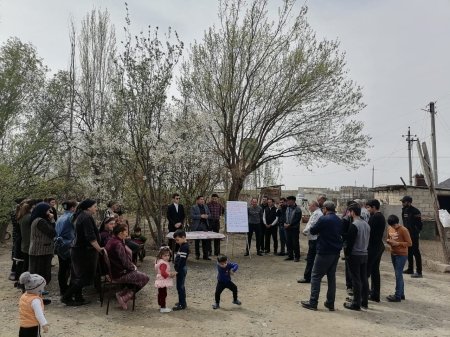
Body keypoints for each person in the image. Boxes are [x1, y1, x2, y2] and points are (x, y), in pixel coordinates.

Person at [301, 201, 343, 311]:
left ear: (325, 209)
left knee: (315, 276)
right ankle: (330, 302)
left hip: (324, 251)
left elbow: (313, 230)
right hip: (335, 252)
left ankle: (313, 302)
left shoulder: (324, 219)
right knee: (331, 277)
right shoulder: (339, 220)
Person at [61, 199, 103, 306]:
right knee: (83, 277)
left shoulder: (82, 216)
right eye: (94, 206)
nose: (96, 208)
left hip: (79, 251)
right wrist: (99, 249)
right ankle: (66, 297)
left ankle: (78, 298)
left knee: (77, 276)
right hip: (84, 252)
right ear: (88, 208)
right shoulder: (86, 217)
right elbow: (90, 237)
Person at [105, 222, 150, 310]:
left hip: (114, 271)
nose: (127, 233)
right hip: (119, 274)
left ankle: (121, 294)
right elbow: (125, 262)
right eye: (126, 231)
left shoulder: (112, 240)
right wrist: (133, 267)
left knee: (138, 274)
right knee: (145, 278)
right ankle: (124, 297)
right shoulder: (118, 244)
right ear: (120, 233)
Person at [343, 204, 370, 311]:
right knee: (364, 279)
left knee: (356, 279)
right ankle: (364, 302)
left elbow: (350, 242)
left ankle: (356, 303)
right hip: (364, 254)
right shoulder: (366, 224)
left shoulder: (354, 225)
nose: (348, 214)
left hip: (355, 255)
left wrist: (347, 254)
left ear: (353, 212)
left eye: (349, 212)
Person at [29, 202, 56, 288]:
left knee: (38, 272)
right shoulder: (41, 221)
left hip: (39, 250)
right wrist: (52, 220)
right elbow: (52, 232)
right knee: (41, 272)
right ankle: (38, 290)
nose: (50, 213)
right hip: (41, 251)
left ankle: (38, 289)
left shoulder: (37, 219)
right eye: (48, 211)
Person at [386, 214, 412, 302]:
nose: (394, 227)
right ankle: (401, 294)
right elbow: (388, 238)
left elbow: (409, 243)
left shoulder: (404, 230)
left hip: (401, 255)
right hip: (393, 253)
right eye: (392, 225)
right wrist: (389, 241)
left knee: (398, 275)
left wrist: (398, 244)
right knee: (399, 274)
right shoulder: (389, 228)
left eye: (394, 225)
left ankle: (397, 296)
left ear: (397, 222)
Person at [54, 200, 77, 296]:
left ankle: (62, 289)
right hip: (68, 245)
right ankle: (67, 291)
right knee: (69, 268)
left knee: (62, 268)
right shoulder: (71, 217)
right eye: (76, 207)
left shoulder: (61, 217)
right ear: (72, 208)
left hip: (60, 245)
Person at [365, 199, 386, 303]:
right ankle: (374, 294)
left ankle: (365, 294)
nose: (368, 210)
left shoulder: (375, 217)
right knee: (374, 271)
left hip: (373, 247)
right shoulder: (380, 216)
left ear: (374, 207)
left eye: (369, 207)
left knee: (366, 271)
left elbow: (368, 232)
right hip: (378, 246)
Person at [298, 201, 323, 283]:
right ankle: (315, 276)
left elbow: (312, 225)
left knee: (311, 259)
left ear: (314, 206)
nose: (308, 207)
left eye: (310, 206)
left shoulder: (317, 214)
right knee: (314, 258)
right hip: (313, 238)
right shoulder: (316, 213)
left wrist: (305, 231)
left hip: (314, 239)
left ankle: (307, 277)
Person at [18, 272, 49, 337]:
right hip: (33, 326)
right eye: (41, 289)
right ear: (38, 289)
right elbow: (39, 314)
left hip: (23, 325)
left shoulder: (23, 296)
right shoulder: (35, 300)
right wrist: (44, 324)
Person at [401, 196, 423, 278]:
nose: (402, 203)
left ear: (408, 202)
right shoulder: (404, 210)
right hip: (407, 235)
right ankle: (410, 269)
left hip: (414, 235)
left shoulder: (415, 211)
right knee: (409, 252)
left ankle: (419, 272)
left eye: (404, 202)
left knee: (416, 252)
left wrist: (415, 231)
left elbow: (419, 225)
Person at [154, 246, 177, 313]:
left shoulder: (159, 261)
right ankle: (163, 307)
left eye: (168, 255)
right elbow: (163, 273)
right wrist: (170, 275)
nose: (167, 257)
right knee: (163, 294)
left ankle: (160, 304)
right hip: (163, 280)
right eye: (165, 255)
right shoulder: (163, 263)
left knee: (160, 293)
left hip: (160, 280)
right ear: (161, 255)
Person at [172, 229, 189, 311]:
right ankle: (182, 302)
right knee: (180, 286)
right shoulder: (182, 245)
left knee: (180, 287)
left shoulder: (185, 247)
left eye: (177, 240)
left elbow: (182, 261)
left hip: (181, 269)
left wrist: (177, 271)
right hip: (180, 269)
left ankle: (182, 304)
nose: (177, 242)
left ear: (183, 237)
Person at [17, 199, 34, 278]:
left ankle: (22, 281)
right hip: (29, 244)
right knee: (27, 265)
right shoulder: (29, 217)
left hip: (24, 244)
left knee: (25, 264)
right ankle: (23, 283)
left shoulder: (21, 217)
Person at [191, 195, 211, 260]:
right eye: (201, 199)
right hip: (197, 226)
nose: (202, 200)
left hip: (205, 226)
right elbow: (192, 216)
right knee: (197, 242)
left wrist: (207, 216)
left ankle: (206, 256)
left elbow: (210, 214)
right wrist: (200, 216)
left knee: (205, 241)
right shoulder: (194, 207)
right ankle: (197, 255)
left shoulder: (206, 206)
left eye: (203, 199)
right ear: (197, 200)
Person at [284, 196, 302, 262]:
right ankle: (290, 256)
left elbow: (297, 219)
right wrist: (285, 223)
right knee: (288, 242)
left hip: (294, 229)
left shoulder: (297, 209)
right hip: (287, 228)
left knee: (295, 243)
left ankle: (297, 257)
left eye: (288, 200)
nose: (287, 202)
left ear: (293, 201)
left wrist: (290, 225)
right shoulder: (287, 208)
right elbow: (285, 216)